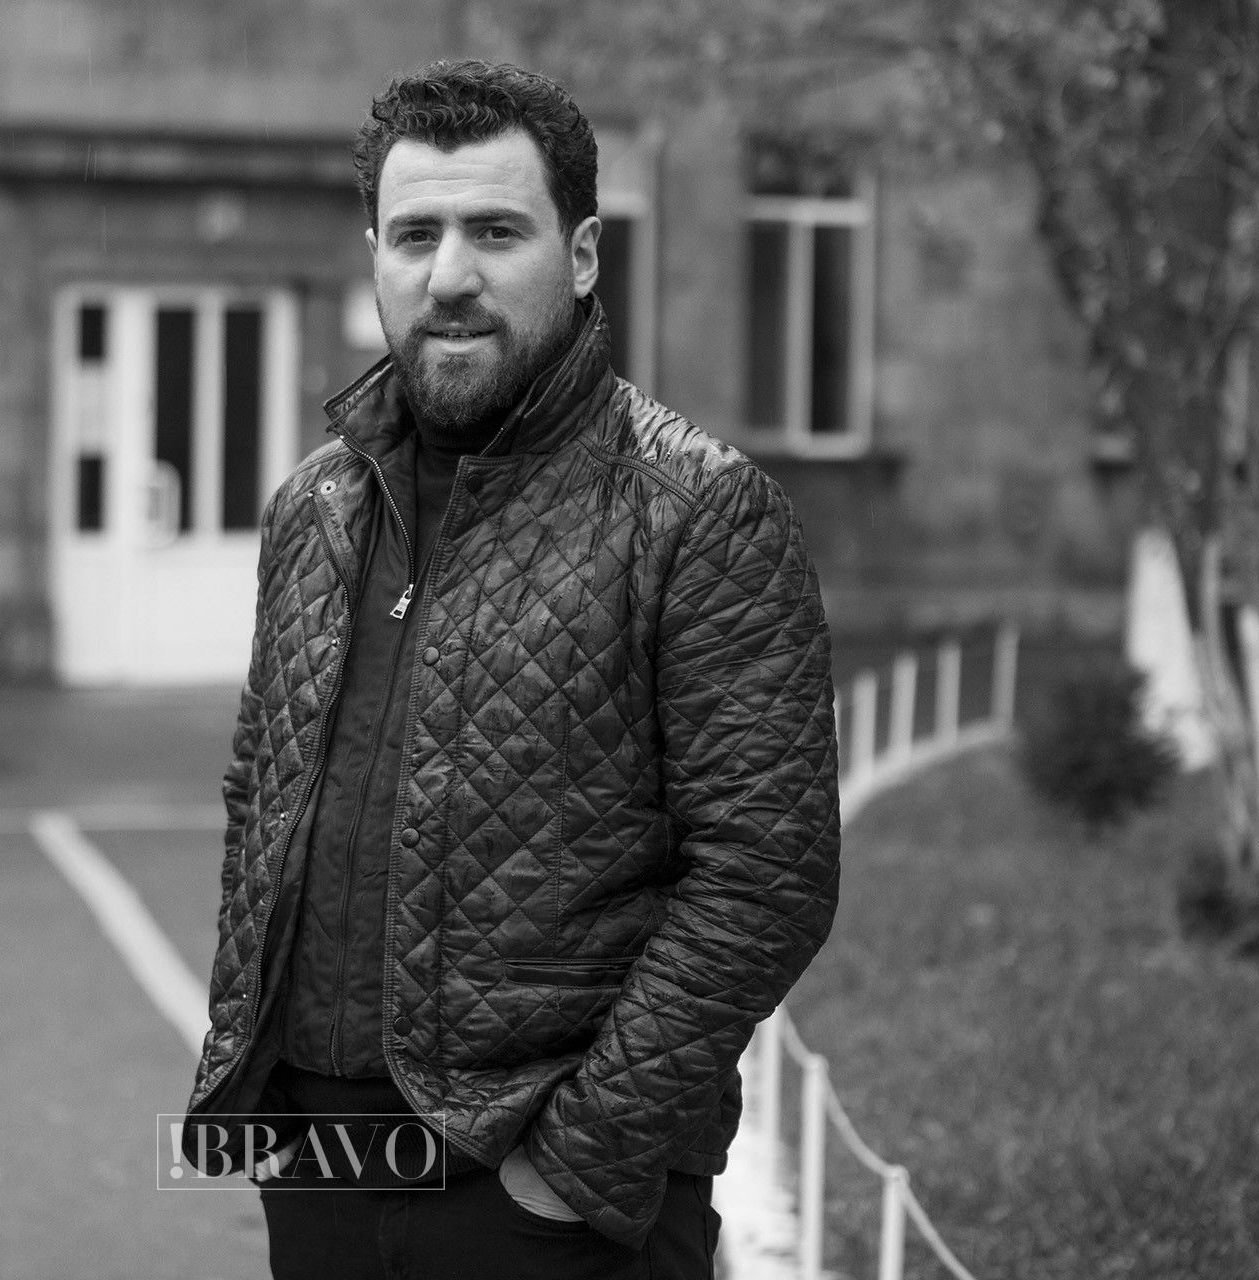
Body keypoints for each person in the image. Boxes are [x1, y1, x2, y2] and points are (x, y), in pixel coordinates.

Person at [180, 58, 840, 1279]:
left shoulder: (697, 512)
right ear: (375, 255)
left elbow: (766, 878)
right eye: (415, 234)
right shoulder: (314, 509)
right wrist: (258, 1087)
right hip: (322, 1168)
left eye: (495, 231)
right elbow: (258, 795)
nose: (449, 275)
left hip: (552, 1200)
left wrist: (572, 1169)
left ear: (581, 254)